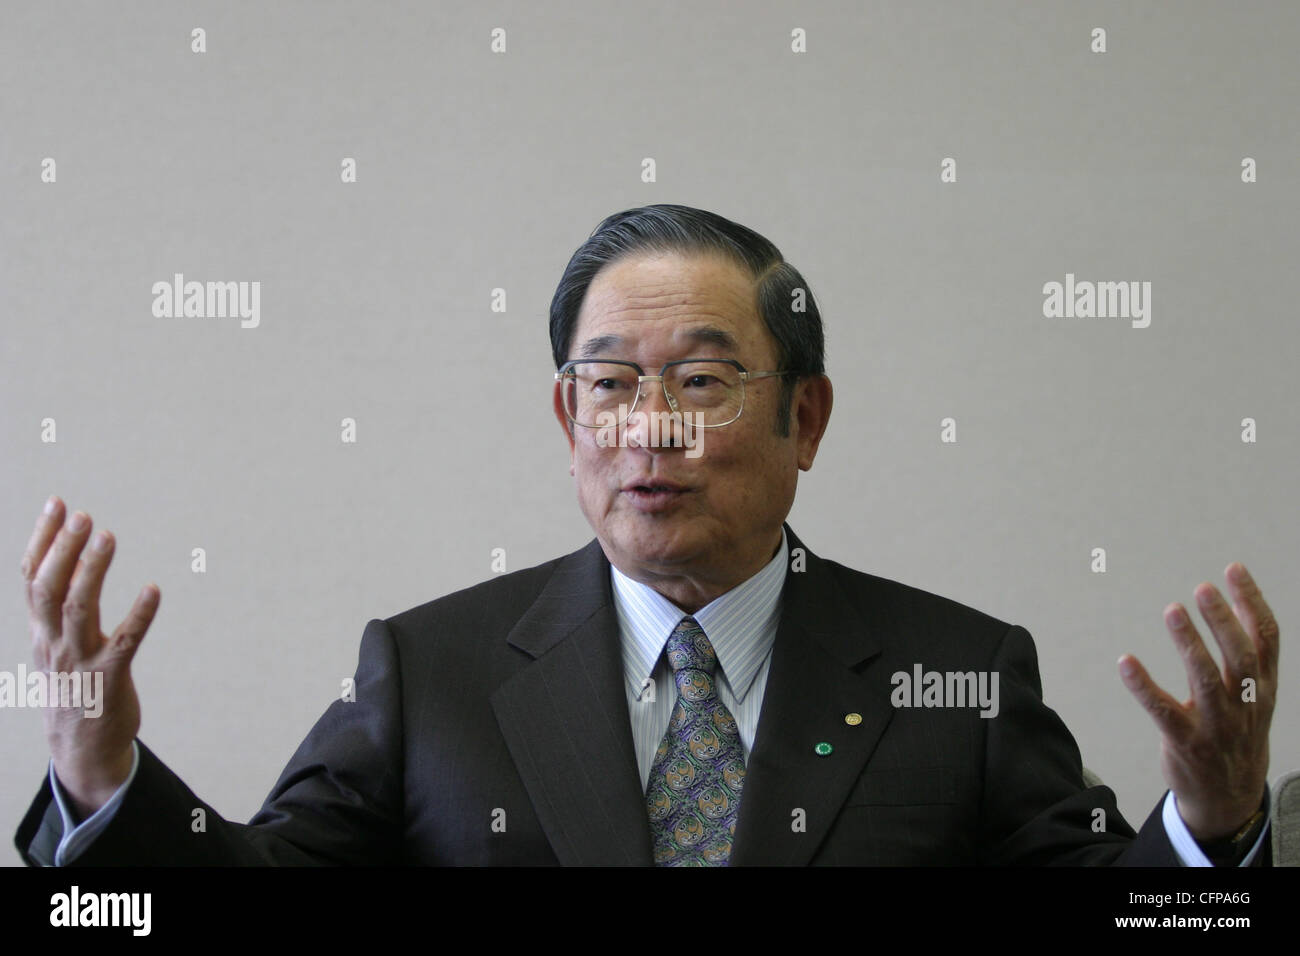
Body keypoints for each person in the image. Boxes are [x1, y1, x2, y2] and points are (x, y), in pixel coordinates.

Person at [16, 204, 1278, 866]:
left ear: (805, 417)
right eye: (609, 384)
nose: (648, 430)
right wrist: (100, 779)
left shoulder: (956, 673)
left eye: (702, 380)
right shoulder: (428, 672)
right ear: (567, 419)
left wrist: (1210, 833)